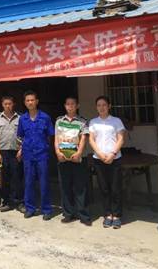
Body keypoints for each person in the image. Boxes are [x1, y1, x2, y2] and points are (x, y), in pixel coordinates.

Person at [89, 95, 126, 229]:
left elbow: (121, 139)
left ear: (109, 106)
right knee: (104, 188)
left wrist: (112, 153)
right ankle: (107, 214)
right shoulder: (93, 122)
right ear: (96, 107)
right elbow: (91, 139)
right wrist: (99, 153)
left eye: (104, 105)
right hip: (99, 159)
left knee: (115, 187)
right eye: (99, 105)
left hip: (114, 159)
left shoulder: (116, 121)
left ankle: (116, 215)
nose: (101, 107)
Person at [17, 90, 55, 220]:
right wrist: (20, 150)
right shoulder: (22, 119)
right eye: (27, 100)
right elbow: (20, 137)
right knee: (28, 182)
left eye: (32, 100)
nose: (30, 102)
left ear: (37, 101)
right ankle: (30, 208)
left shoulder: (45, 117)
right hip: (28, 155)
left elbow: (50, 136)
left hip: (42, 155)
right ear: (25, 103)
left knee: (44, 182)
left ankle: (47, 209)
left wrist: (47, 149)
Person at [54, 96, 91, 226]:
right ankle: (68, 213)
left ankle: (83, 215)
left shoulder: (83, 121)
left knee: (80, 187)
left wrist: (79, 153)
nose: (70, 106)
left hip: (78, 158)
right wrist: (57, 152)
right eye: (68, 104)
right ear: (65, 106)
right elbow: (56, 138)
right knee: (65, 187)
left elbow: (84, 138)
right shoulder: (59, 121)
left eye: (73, 104)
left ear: (77, 106)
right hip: (63, 157)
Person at [0, 95, 24, 213]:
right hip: (2, 152)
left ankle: (19, 202)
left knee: (17, 178)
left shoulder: (20, 118)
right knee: (4, 179)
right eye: (5, 104)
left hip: (16, 152)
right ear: (2, 104)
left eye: (9, 104)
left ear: (13, 104)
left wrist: (21, 150)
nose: (7, 106)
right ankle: (6, 202)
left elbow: (24, 135)